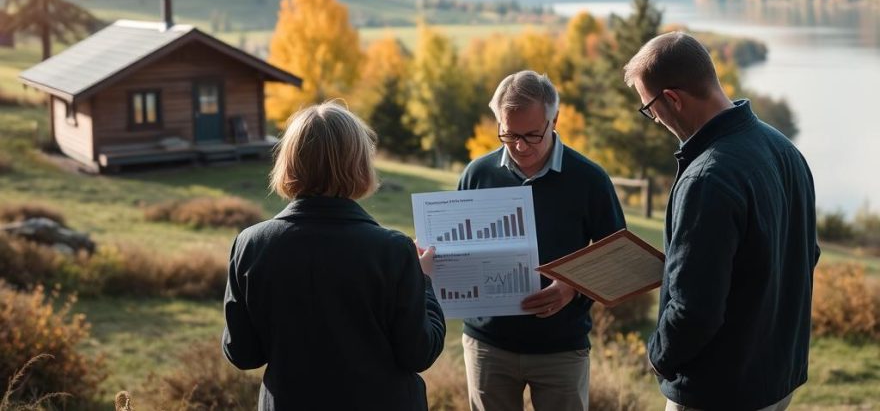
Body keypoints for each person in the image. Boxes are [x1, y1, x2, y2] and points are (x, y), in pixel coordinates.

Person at [623, 32, 820, 411]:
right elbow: (806, 256)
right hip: (778, 377)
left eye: (649, 109)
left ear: (673, 99)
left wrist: (657, 355)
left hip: (718, 390)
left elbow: (695, 309)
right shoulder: (783, 148)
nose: (655, 120)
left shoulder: (707, 178)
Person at [222, 101, 446, 410]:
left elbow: (242, 354)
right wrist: (424, 282)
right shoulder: (392, 250)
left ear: (288, 161)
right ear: (359, 164)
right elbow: (419, 353)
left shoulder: (250, 244)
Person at [457, 70, 625, 411]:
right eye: (509, 134)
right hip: (487, 345)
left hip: (561, 347)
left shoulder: (589, 179)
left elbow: (618, 258)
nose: (520, 146)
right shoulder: (478, 173)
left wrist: (572, 286)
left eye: (532, 135)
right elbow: (458, 248)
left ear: (555, 120)